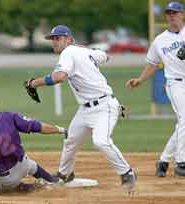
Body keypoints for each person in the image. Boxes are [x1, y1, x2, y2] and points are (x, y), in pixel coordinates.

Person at [25, 25, 136, 191]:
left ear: (69, 39)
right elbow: (105, 56)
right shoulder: (82, 51)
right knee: (71, 139)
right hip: (85, 109)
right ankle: (65, 175)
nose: (54, 42)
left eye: (58, 38)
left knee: (101, 141)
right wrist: (88, 50)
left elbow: (60, 77)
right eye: (52, 39)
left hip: (104, 105)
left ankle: (127, 173)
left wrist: (33, 83)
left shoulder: (68, 52)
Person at [126, 2, 185, 177]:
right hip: (175, 84)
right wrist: (140, 80)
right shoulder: (160, 40)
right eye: (169, 13)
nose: (171, 15)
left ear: (182, 14)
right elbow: (152, 64)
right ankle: (181, 163)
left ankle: (163, 161)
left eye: (175, 12)